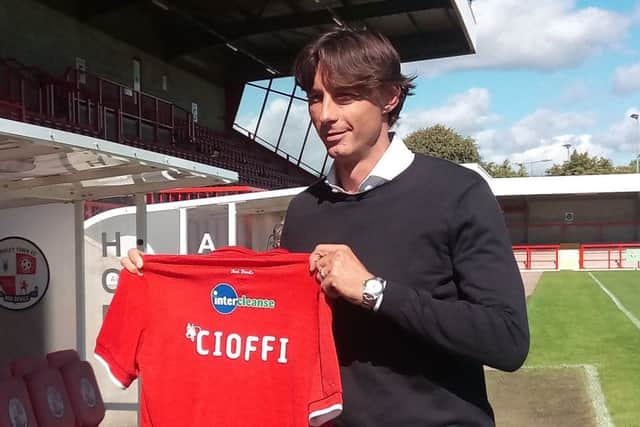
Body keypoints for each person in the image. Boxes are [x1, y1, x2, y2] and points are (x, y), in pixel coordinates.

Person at [123, 28, 529, 426]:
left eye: (346, 96)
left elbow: (507, 341)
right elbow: (271, 323)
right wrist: (164, 285)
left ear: (390, 97)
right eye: (316, 98)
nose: (326, 115)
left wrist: (375, 292)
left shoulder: (457, 193)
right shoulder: (305, 210)